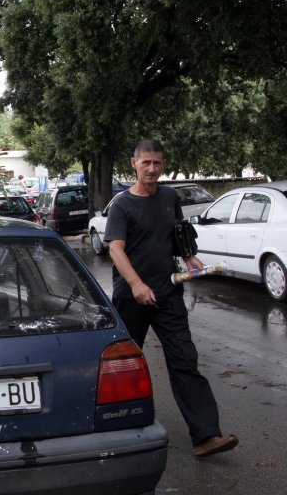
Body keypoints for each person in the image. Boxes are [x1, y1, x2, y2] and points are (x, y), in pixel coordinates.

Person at [104, 139, 238, 457]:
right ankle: (113, 431)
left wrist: (189, 256)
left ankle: (206, 435)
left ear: (163, 165)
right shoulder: (122, 204)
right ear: (133, 163)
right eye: (146, 163)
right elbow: (115, 249)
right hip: (131, 298)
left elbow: (177, 232)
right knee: (121, 364)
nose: (152, 169)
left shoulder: (168, 196)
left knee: (185, 360)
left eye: (158, 163)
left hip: (168, 293)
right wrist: (136, 284)